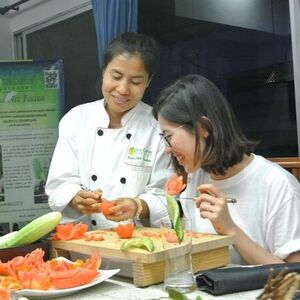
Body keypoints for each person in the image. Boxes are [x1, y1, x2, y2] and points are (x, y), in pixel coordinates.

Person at [152, 73, 300, 265]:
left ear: (203, 127)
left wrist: (230, 230)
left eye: (168, 136)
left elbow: (295, 280)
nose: (167, 148)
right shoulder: (195, 177)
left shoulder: (277, 185)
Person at [46, 32, 172, 229]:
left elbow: (166, 196)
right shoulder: (76, 119)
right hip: (86, 243)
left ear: (148, 82)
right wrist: (76, 198)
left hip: (139, 247)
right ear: (104, 70)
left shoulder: (158, 126)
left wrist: (138, 205)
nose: (122, 89)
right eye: (116, 76)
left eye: (136, 81)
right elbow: (60, 184)